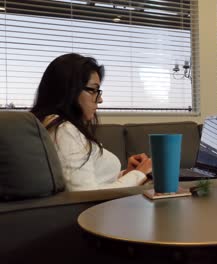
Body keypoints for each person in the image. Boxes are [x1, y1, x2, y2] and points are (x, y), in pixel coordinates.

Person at [31, 53, 152, 191]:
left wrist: (127, 175)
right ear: (70, 90)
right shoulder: (65, 130)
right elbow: (85, 195)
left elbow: (92, 184)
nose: (100, 100)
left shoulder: (54, 125)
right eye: (93, 90)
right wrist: (139, 174)